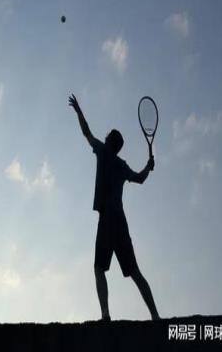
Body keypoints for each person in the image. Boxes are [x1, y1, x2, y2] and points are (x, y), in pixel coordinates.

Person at [68, 93, 160, 321]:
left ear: (110, 142)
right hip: (121, 221)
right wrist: (148, 166)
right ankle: (156, 316)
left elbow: (86, 132)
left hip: (108, 219)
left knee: (99, 268)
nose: (105, 136)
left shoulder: (102, 152)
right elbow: (140, 178)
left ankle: (106, 314)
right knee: (135, 272)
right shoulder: (121, 165)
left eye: (108, 135)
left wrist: (78, 111)